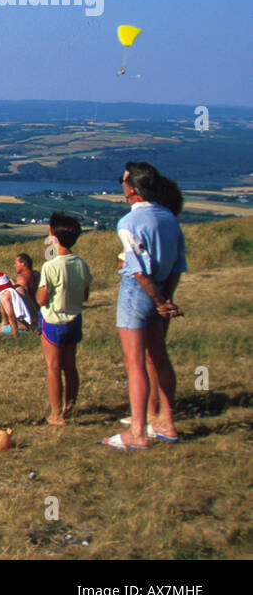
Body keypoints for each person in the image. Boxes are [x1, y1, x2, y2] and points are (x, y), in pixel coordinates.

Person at [105, 162, 186, 449]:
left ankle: (137, 432)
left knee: (135, 362)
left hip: (136, 294)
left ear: (133, 189)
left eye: (123, 180)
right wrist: (165, 299)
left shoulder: (128, 223)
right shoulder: (169, 218)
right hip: (163, 290)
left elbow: (138, 271)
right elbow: (178, 264)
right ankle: (167, 422)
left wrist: (157, 299)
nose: (122, 185)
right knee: (159, 358)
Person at [37, 212, 92, 425]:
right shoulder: (81, 263)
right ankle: (70, 407)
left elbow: (42, 299)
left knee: (53, 367)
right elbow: (85, 295)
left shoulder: (50, 266)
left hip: (53, 321)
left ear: (54, 236)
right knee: (71, 366)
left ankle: (56, 413)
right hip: (75, 319)